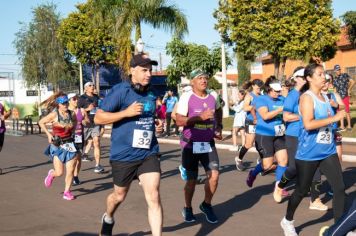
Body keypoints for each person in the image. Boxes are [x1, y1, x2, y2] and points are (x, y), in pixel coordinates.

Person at [95, 54, 163, 236]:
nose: (149, 74)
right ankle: (108, 217)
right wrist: (126, 112)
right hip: (123, 154)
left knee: (154, 195)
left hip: (148, 152)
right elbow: (98, 117)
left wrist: (155, 122)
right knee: (119, 196)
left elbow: (147, 115)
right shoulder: (121, 90)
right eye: (144, 70)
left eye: (150, 70)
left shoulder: (151, 92)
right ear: (132, 71)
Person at [280, 63, 346, 236]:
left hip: (328, 151)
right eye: (319, 74)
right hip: (309, 154)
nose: (323, 76)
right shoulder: (307, 98)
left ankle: (339, 228)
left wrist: (335, 114)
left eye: (324, 73)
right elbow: (308, 124)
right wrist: (335, 117)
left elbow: (331, 117)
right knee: (301, 190)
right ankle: (287, 220)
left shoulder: (325, 96)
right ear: (309, 78)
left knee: (339, 188)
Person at [175, 68, 223, 224]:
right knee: (191, 181)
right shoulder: (186, 97)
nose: (203, 80)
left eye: (205, 77)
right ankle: (187, 208)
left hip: (208, 143)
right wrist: (199, 117)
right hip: (190, 144)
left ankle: (206, 204)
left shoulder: (213, 95)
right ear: (192, 81)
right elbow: (179, 121)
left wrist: (219, 126)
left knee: (214, 176)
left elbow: (218, 109)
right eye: (199, 78)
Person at [245, 77, 288, 195]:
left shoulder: (282, 99)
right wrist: (279, 110)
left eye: (279, 91)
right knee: (267, 165)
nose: (277, 93)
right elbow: (265, 116)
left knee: (283, 161)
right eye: (275, 91)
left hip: (279, 134)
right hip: (264, 135)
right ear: (269, 89)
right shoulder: (261, 99)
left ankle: (278, 187)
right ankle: (253, 173)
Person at [39, 92, 80, 201]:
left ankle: (67, 192)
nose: (65, 105)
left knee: (71, 170)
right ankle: (52, 174)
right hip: (57, 145)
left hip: (70, 144)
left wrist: (73, 131)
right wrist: (48, 135)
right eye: (63, 103)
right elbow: (41, 122)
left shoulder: (72, 114)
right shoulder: (54, 114)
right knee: (60, 172)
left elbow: (76, 122)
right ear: (58, 105)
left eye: (66, 102)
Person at [235, 79, 264, 171]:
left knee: (261, 142)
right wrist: (254, 107)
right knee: (248, 144)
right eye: (258, 85)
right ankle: (239, 159)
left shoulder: (262, 95)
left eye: (261, 85)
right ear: (254, 86)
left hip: (260, 122)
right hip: (251, 122)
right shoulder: (249, 95)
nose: (260, 87)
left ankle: (262, 160)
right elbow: (245, 107)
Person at [78, 81, 103, 173]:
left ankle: (97, 165)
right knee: (81, 145)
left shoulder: (96, 97)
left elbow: (99, 109)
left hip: (95, 123)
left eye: (93, 85)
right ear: (85, 88)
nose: (92, 86)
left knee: (96, 142)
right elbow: (77, 112)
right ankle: (75, 167)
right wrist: (87, 109)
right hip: (85, 124)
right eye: (90, 85)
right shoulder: (82, 98)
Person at [68, 93, 89, 185]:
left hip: (79, 136)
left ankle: (75, 176)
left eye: (77, 98)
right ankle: (70, 176)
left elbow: (88, 123)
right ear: (69, 100)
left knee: (78, 158)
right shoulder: (66, 111)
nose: (76, 100)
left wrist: (83, 120)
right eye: (74, 99)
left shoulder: (81, 110)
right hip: (68, 137)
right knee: (72, 159)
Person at [332, 64, 355, 131]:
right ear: (335, 71)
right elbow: (334, 89)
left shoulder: (345, 75)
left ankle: (349, 126)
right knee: (340, 112)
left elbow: (353, 81)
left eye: (339, 69)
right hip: (339, 98)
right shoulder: (335, 79)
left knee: (347, 111)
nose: (338, 71)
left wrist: (349, 89)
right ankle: (342, 126)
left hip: (345, 96)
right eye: (337, 70)